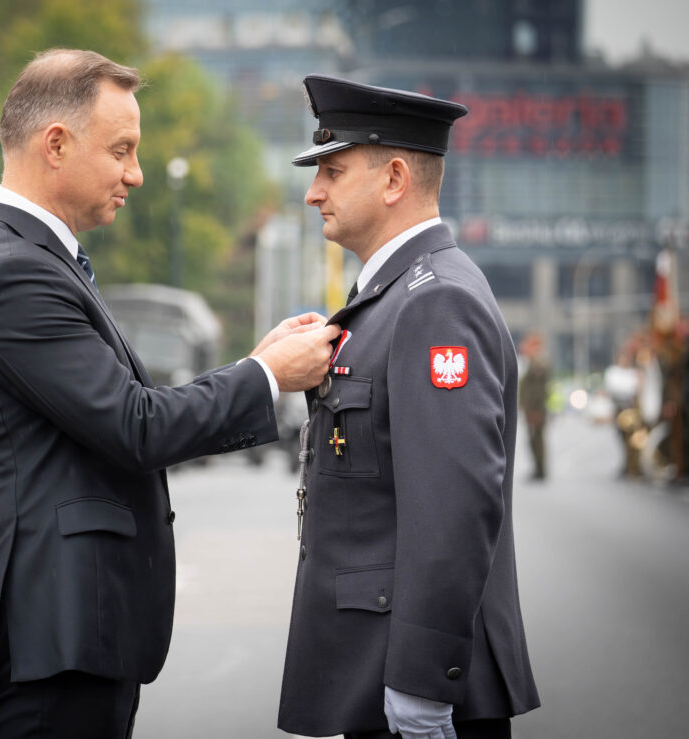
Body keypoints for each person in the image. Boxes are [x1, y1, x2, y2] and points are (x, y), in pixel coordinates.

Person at [0, 48, 339, 738]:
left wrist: (256, 362)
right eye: (121, 150)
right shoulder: (12, 272)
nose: (136, 173)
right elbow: (136, 425)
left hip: (67, 630)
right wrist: (268, 374)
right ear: (55, 145)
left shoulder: (30, 259)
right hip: (52, 635)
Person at [277, 75, 540, 739]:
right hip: (376, 667)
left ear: (394, 178)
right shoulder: (394, 296)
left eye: (333, 171)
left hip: (414, 684)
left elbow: (454, 507)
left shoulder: (434, 301)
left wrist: (422, 682)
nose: (313, 192)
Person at [517, 331, 551, 480]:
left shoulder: (538, 361)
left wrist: (535, 409)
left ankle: (540, 469)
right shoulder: (530, 361)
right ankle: (537, 468)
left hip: (536, 408)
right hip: (530, 407)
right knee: (533, 439)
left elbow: (537, 389)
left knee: (537, 439)